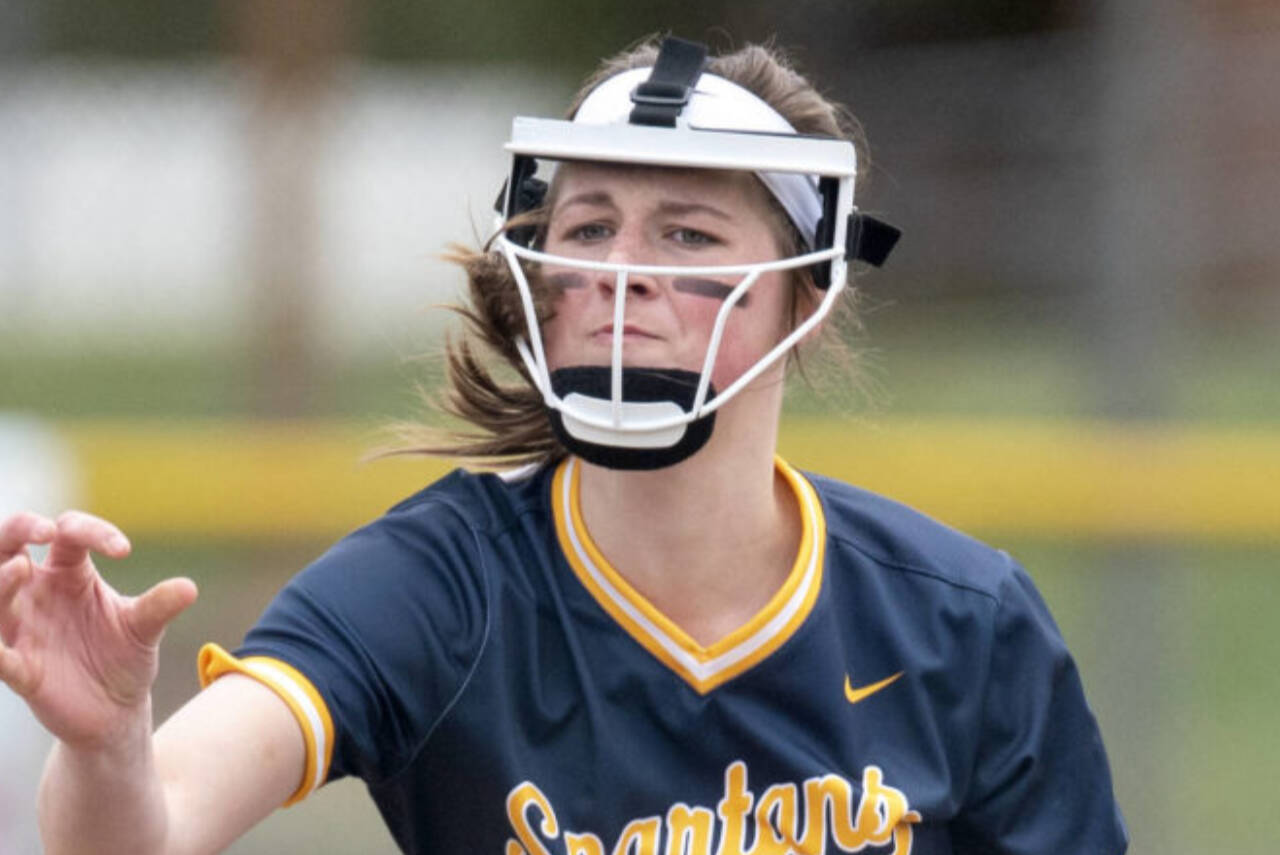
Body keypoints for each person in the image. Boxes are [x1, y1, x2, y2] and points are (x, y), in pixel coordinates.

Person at [0, 36, 1127, 855]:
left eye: (686, 232)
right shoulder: (445, 584)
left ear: (804, 292)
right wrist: (108, 748)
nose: (619, 276)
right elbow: (149, 834)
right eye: (588, 227)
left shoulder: (959, 621)